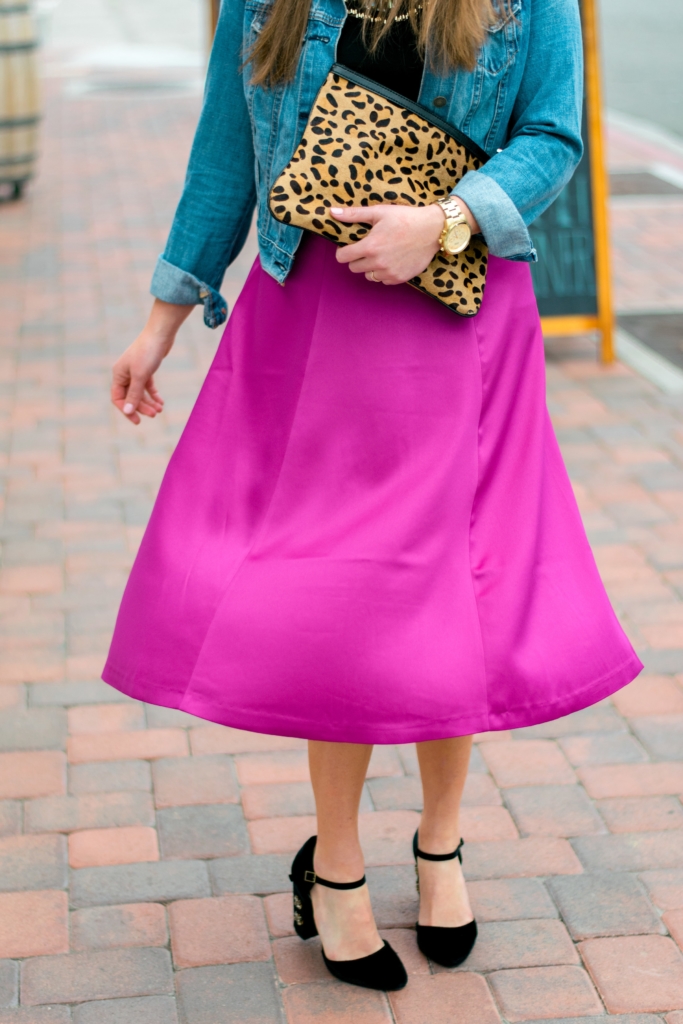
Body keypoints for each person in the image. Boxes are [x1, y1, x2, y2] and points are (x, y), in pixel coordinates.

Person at [103, 0, 642, 992]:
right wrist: (160, 323)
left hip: (457, 312)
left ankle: (439, 845)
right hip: (306, 314)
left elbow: (552, 134)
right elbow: (225, 160)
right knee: (331, 599)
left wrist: (440, 223)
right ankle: (336, 864)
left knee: (451, 593)